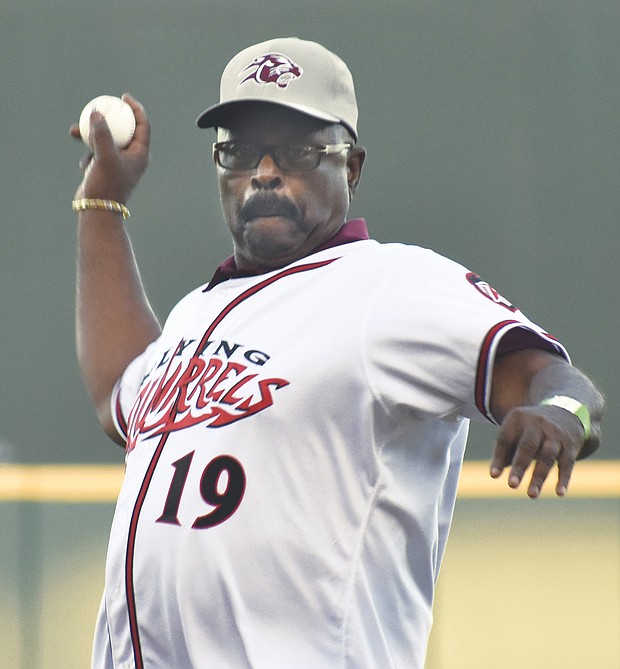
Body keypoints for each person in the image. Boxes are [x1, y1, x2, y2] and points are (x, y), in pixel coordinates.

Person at [71, 37, 604, 669]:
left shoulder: (394, 285)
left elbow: (559, 382)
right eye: (239, 151)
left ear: (351, 165)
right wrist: (102, 204)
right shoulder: (197, 313)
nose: (263, 172)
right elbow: (117, 396)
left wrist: (563, 413)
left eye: (296, 150)